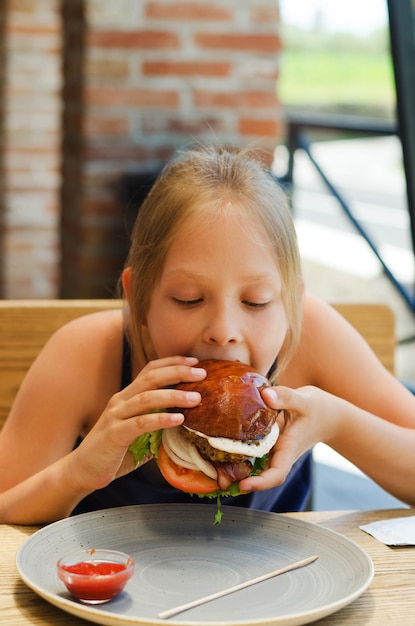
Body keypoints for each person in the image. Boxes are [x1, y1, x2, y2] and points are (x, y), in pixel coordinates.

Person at [1, 144, 415, 526]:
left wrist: (339, 423)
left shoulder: (311, 336)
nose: (223, 332)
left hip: (276, 591)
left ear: (291, 303)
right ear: (138, 300)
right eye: (188, 299)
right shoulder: (84, 354)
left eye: (256, 301)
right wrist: (77, 473)